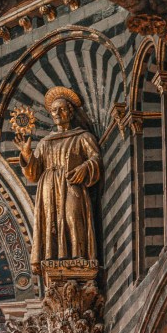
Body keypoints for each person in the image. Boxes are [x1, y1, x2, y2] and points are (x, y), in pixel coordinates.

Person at [13, 86, 101, 274]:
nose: (57, 113)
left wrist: (84, 167)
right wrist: (27, 154)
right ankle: (53, 258)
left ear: (70, 112)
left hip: (71, 183)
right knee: (51, 222)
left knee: (72, 216)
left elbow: (95, 158)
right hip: (49, 186)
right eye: (54, 110)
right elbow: (33, 173)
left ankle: (79, 256)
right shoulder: (45, 142)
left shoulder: (82, 137)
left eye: (61, 109)